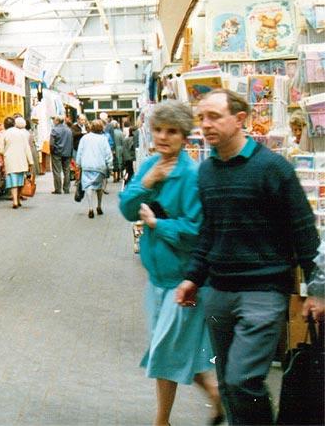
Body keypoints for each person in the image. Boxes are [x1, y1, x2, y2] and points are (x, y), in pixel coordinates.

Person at [175, 90, 320, 425]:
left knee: (243, 380)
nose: (206, 125)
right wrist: (193, 277)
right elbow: (209, 232)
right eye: (202, 118)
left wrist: (316, 289)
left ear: (240, 119)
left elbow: (304, 232)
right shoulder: (207, 172)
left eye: (214, 116)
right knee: (228, 383)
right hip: (219, 293)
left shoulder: (273, 168)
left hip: (264, 293)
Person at [119, 101, 222, 426]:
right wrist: (146, 182)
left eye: (172, 131)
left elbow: (196, 230)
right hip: (157, 280)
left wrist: (157, 225)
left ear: (184, 137)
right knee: (172, 347)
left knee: (165, 350)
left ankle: (161, 421)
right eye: (159, 129)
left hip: (185, 283)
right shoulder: (150, 164)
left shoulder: (192, 175)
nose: (163, 137)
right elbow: (125, 209)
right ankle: (218, 395)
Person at [75, 119, 112, 219]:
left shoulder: (85, 138)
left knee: (88, 186)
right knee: (99, 187)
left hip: (87, 166)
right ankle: (99, 206)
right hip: (100, 166)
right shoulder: (103, 139)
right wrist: (110, 165)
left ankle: (90, 207)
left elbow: (80, 151)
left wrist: (78, 164)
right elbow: (108, 153)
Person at [0, 115, 34, 209]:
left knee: (13, 181)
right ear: (14, 124)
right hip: (22, 160)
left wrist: (5, 152)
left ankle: (14, 200)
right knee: (20, 181)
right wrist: (30, 161)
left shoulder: (4, 134)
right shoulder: (22, 133)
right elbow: (27, 148)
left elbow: (0, 149)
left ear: (5, 125)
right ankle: (18, 199)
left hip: (10, 160)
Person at [49, 116, 73, 194]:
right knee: (67, 171)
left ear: (57, 121)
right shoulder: (69, 130)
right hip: (67, 153)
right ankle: (66, 188)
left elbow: (51, 143)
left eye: (54, 120)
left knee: (57, 171)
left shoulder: (54, 130)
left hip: (57, 153)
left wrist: (52, 151)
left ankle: (58, 189)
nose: (53, 121)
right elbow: (71, 142)